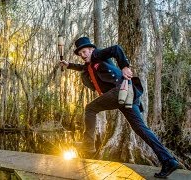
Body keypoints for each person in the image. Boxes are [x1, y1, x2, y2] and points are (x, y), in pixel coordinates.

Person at [60, 37, 179, 178]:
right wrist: (68, 65)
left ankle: (88, 147)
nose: (83, 55)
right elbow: (82, 68)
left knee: (90, 109)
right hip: (125, 94)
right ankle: (168, 160)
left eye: (85, 52)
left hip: (120, 91)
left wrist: (125, 66)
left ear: (92, 50)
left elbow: (116, 49)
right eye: (81, 54)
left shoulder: (98, 55)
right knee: (140, 128)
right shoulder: (89, 64)